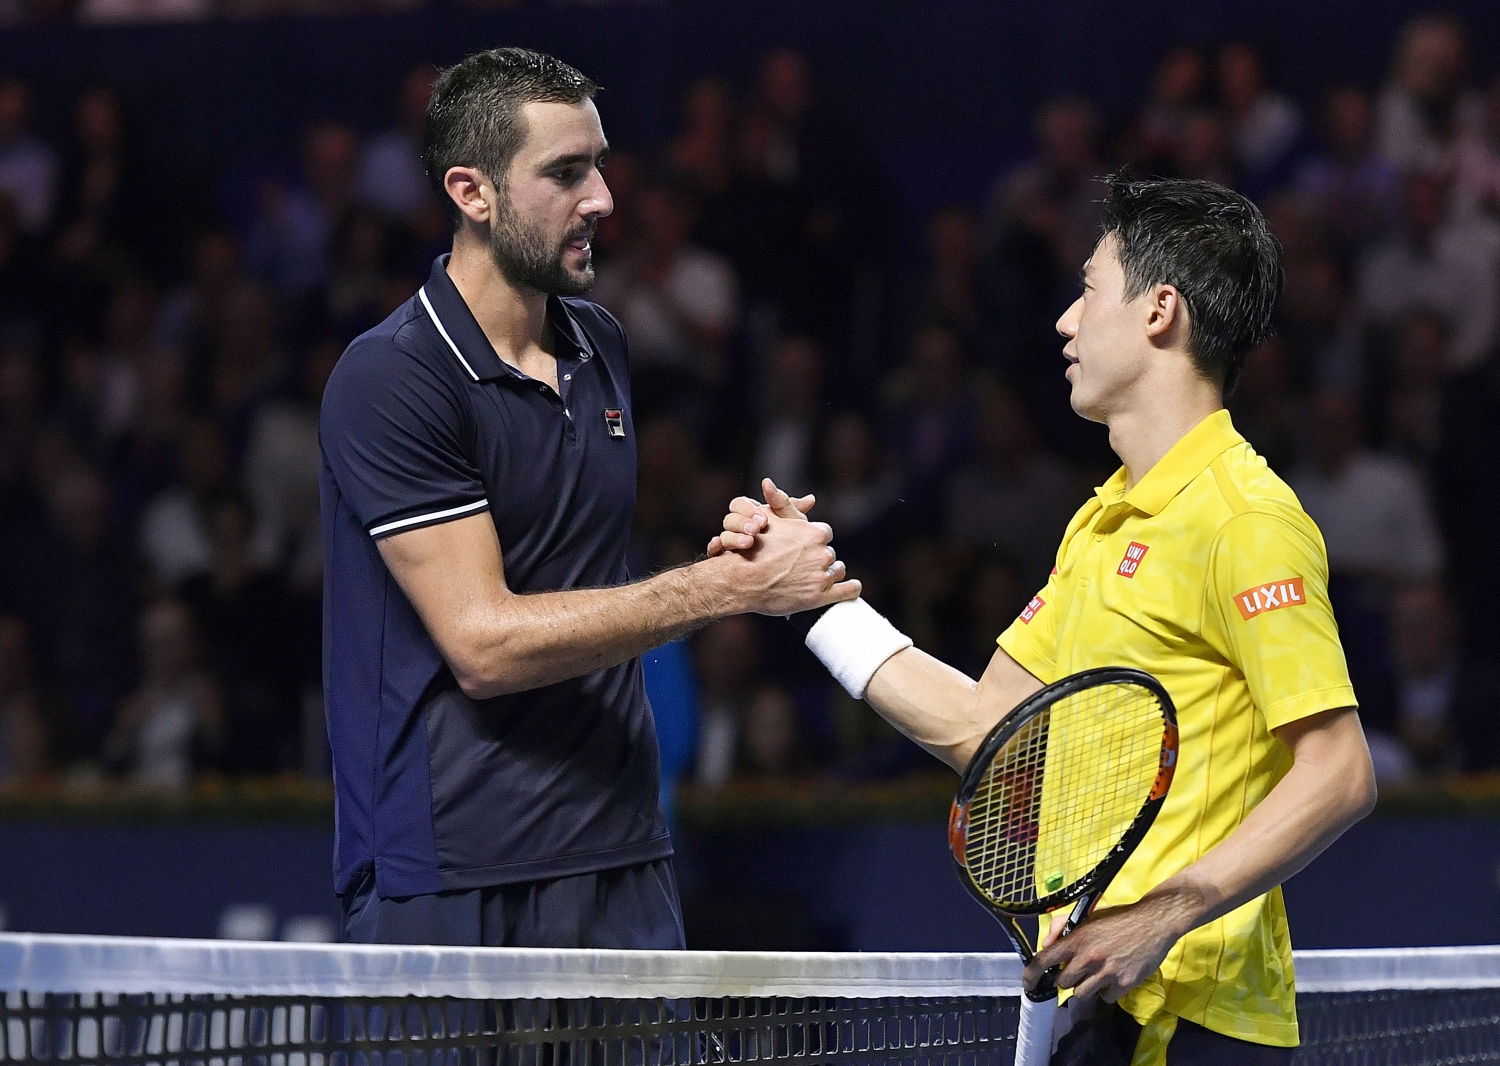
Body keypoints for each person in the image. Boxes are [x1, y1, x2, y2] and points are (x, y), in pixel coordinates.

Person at [713, 176, 1375, 1063]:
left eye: (1090, 289)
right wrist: (815, 600)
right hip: (1093, 998)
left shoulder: (1245, 519)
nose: (1064, 323)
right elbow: (987, 730)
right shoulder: (1102, 520)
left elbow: (1339, 773)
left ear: (1159, 311)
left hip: (1194, 1016)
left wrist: (1166, 912)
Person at [318, 48, 855, 950]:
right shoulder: (393, 377)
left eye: (599, 164)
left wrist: (735, 557)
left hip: (624, 866)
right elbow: (483, 644)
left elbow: (582, 571)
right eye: (566, 172)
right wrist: (725, 593)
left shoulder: (598, 343)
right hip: (451, 879)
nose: (603, 197)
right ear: (472, 192)